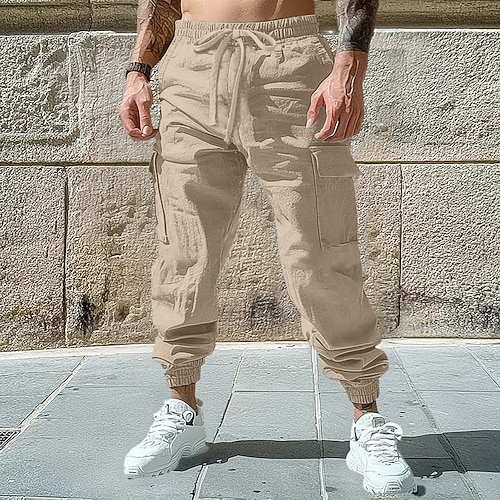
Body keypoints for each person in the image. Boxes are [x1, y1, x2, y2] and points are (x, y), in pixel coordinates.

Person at [119, 0, 416, 496]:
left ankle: (366, 420)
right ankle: (182, 408)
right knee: (184, 253)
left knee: (319, 253)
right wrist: (138, 70)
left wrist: (349, 67)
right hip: (189, 67)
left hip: (288, 65)